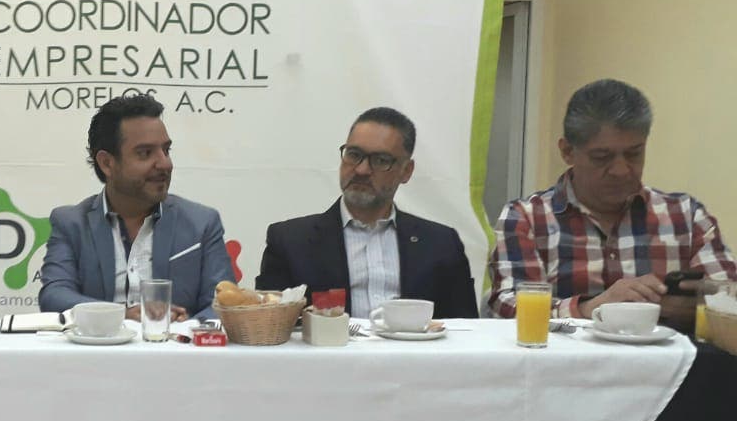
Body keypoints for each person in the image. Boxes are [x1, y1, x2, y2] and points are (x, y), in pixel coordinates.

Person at [488, 79, 736, 325]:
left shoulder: (685, 216)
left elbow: (730, 298)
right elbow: (507, 309)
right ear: (567, 151)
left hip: (668, 351)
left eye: (634, 154)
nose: (620, 170)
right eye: (601, 157)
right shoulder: (527, 219)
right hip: (567, 352)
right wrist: (589, 308)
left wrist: (701, 307)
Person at [256, 107, 478, 318]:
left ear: (406, 171)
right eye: (354, 155)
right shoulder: (290, 242)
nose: (362, 169)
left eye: (381, 160)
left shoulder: (441, 244)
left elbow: (467, 331)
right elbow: (269, 327)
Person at [39, 94, 234, 321]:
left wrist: (181, 329)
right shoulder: (71, 223)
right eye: (145, 153)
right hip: (98, 343)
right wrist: (121, 315)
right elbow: (55, 296)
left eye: (166, 150)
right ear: (107, 163)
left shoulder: (202, 223)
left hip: (177, 343)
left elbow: (222, 305)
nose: (165, 163)